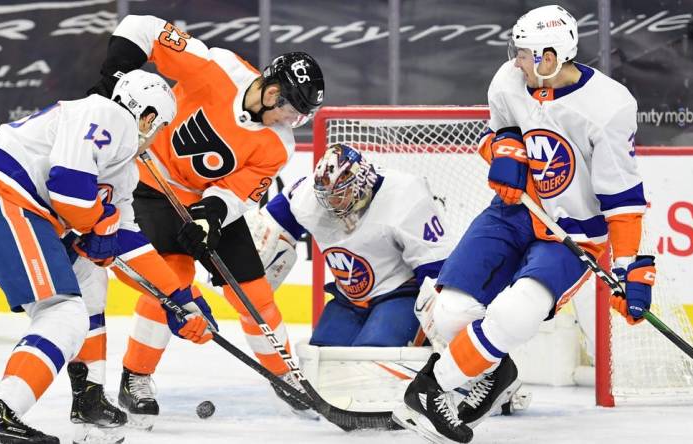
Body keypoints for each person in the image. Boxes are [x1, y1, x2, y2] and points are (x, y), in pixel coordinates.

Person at [392, 5, 654, 443]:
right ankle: (497, 377)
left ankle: (430, 389)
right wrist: (505, 154)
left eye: (526, 53)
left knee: (517, 312)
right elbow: (501, 131)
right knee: (451, 314)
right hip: (514, 213)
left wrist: (629, 268)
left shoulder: (609, 107)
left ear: (551, 57)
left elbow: (623, 199)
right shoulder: (509, 80)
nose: (516, 60)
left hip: (572, 235)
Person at [0, 69, 218, 443]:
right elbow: (68, 189)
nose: (158, 136)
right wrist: (102, 224)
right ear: (147, 116)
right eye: (161, 126)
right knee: (65, 313)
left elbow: (126, 243)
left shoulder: (122, 168)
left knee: (89, 274)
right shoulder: (108, 115)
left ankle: (90, 396)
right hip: (0, 201)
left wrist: (180, 298)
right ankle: (1, 411)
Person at [85, 14, 325, 426]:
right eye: (289, 108)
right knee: (172, 279)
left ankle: (285, 375)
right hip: (150, 182)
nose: (292, 121)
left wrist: (211, 215)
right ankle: (136, 376)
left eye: (300, 116)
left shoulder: (278, 144)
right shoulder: (218, 68)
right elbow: (141, 26)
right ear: (271, 91)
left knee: (254, 292)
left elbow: (236, 191)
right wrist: (112, 78)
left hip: (204, 202)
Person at [251, 144, 452, 348]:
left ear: (361, 181)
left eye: (338, 195)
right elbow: (267, 231)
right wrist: (248, 276)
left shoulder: (405, 195)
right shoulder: (306, 196)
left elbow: (436, 267)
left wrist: (440, 328)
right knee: (323, 357)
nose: (330, 203)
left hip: (398, 293)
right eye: (326, 196)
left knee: (374, 358)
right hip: (348, 299)